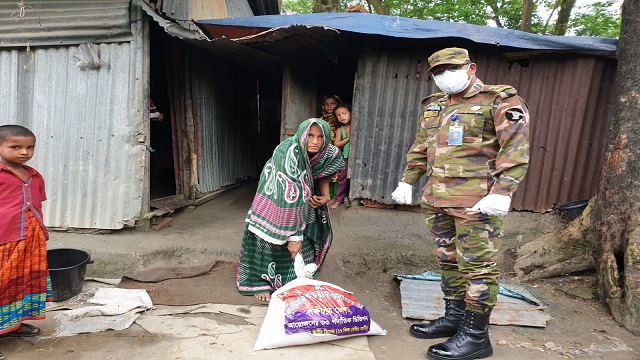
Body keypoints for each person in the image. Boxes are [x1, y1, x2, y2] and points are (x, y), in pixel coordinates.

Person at [391, 48, 530, 360]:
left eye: (451, 68)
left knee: (478, 267)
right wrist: (407, 181)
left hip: (477, 202)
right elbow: (421, 147)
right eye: (437, 73)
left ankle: (476, 336)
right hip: (437, 198)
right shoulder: (434, 105)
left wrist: (503, 191)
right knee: (449, 261)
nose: (444, 76)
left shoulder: (500, 100)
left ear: (471, 68)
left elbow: (516, 149)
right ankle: (455, 318)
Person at [237, 118, 345, 302]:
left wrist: (325, 197)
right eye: (310, 135)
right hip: (276, 196)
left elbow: (324, 174)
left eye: (320, 137)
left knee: (306, 237)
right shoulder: (286, 154)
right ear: (302, 135)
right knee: (271, 238)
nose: (315, 141)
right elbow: (290, 197)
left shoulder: (329, 152)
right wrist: (294, 237)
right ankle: (261, 282)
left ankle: (294, 279)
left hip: (307, 197)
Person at [0, 125, 52, 340]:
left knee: (20, 283)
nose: (24, 152)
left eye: (30, 147)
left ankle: (12, 324)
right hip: (4, 240)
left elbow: (35, 205)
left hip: (31, 240)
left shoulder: (34, 176)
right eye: (16, 147)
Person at [319, 95, 342, 203]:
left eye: (332, 103)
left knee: (337, 171)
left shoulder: (339, 119)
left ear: (338, 104)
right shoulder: (321, 119)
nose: (329, 106)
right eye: (326, 104)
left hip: (338, 149)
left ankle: (335, 195)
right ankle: (324, 194)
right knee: (325, 171)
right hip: (324, 150)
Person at [330, 103, 352, 209]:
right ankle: (339, 200)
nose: (342, 116)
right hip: (346, 157)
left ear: (351, 114)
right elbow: (336, 144)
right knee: (343, 178)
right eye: (339, 115)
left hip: (359, 158)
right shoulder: (340, 129)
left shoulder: (356, 127)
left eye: (344, 113)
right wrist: (347, 139)